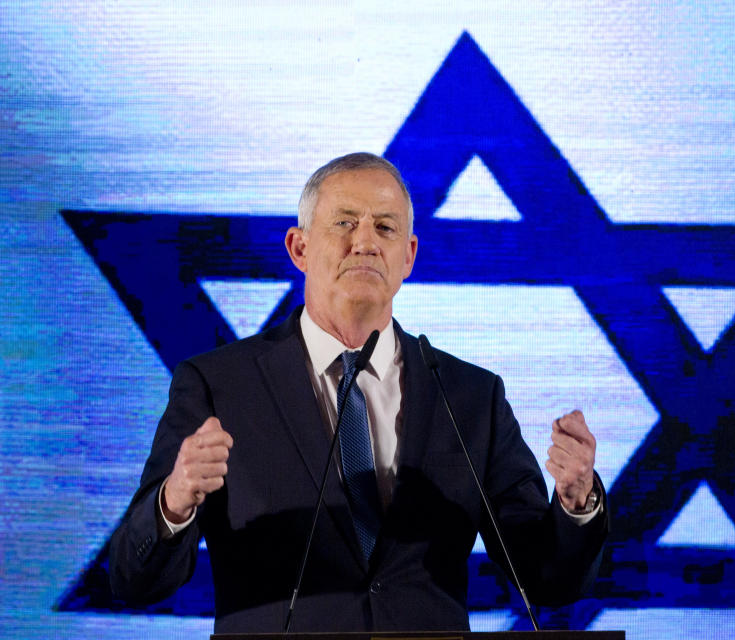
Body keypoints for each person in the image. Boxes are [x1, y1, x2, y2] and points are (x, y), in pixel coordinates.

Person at [109, 152, 608, 633]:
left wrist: (575, 501)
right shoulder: (219, 386)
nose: (365, 242)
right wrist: (173, 502)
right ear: (299, 248)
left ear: (408, 256)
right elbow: (136, 582)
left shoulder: (471, 397)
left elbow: (549, 579)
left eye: (386, 228)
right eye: (345, 223)